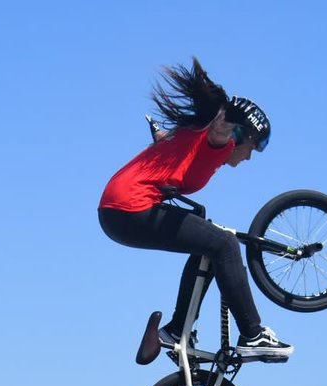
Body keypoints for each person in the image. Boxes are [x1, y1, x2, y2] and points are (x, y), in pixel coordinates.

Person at [98, 58, 290, 361]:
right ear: (241, 136)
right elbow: (220, 131)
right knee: (225, 243)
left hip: (118, 211)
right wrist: (228, 120)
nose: (249, 158)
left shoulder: (192, 137)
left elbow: (174, 148)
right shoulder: (219, 142)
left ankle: (177, 331)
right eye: (252, 148)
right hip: (129, 207)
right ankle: (253, 334)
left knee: (209, 242)